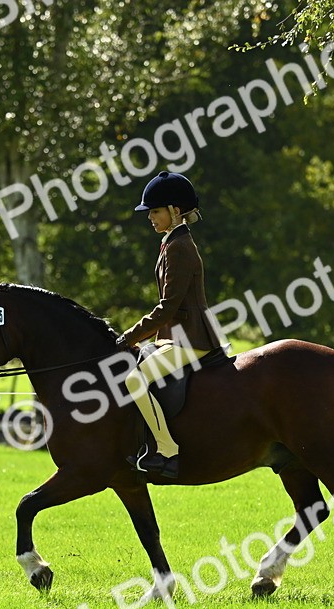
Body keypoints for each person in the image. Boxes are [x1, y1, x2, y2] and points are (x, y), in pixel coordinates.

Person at [115, 171, 223, 479]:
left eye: (155, 211)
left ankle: (167, 450)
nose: (150, 217)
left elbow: (167, 308)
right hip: (176, 336)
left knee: (135, 381)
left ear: (175, 211)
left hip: (192, 339)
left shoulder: (179, 247)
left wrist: (128, 337)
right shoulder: (171, 241)